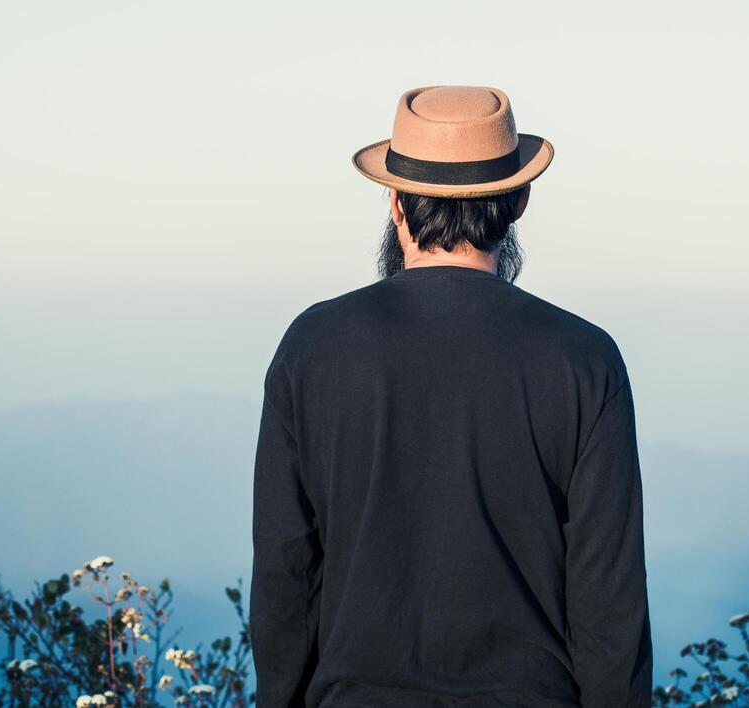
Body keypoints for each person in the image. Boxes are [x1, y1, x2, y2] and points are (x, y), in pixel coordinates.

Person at [251, 85, 651, 707]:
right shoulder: (584, 358)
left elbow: (285, 571)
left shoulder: (313, 348)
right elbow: (609, 600)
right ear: (517, 200)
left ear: (395, 203)